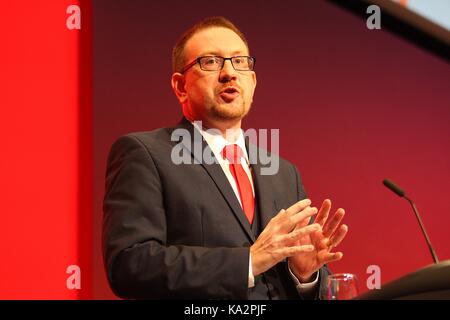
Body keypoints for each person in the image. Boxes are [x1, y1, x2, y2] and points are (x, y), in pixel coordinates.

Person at [102, 16, 348, 300]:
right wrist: (248, 261)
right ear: (180, 86)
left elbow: (308, 285)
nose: (229, 73)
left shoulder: (283, 173)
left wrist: (303, 275)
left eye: (239, 62)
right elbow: (130, 265)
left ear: (252, 82)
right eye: (211, 62)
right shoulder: (145, 154)